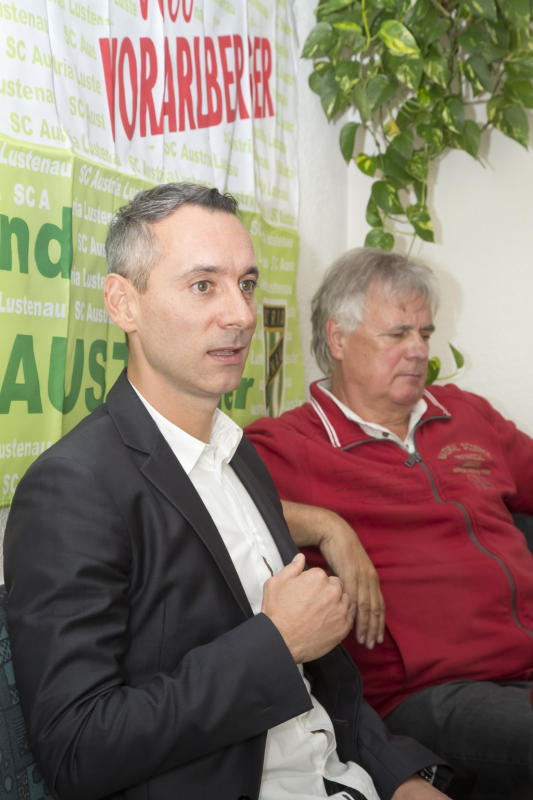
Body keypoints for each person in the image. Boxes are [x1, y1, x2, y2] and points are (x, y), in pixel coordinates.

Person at [3, 187, 451, 800]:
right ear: (123, 303)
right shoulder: (72, 487)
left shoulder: (239, 454)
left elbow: (325, 681)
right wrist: (275, 643)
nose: (240, 315)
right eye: (203, 286)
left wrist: (399, 776)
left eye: (246, 284)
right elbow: (77, 750)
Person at [245, 247, 533, 800]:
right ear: (337, 339)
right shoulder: (289, 444)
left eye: (424, 333)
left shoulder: (466, 414)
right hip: (432, 694)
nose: (419, 350)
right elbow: (212, 503)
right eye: (397, 333)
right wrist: (328, 525)